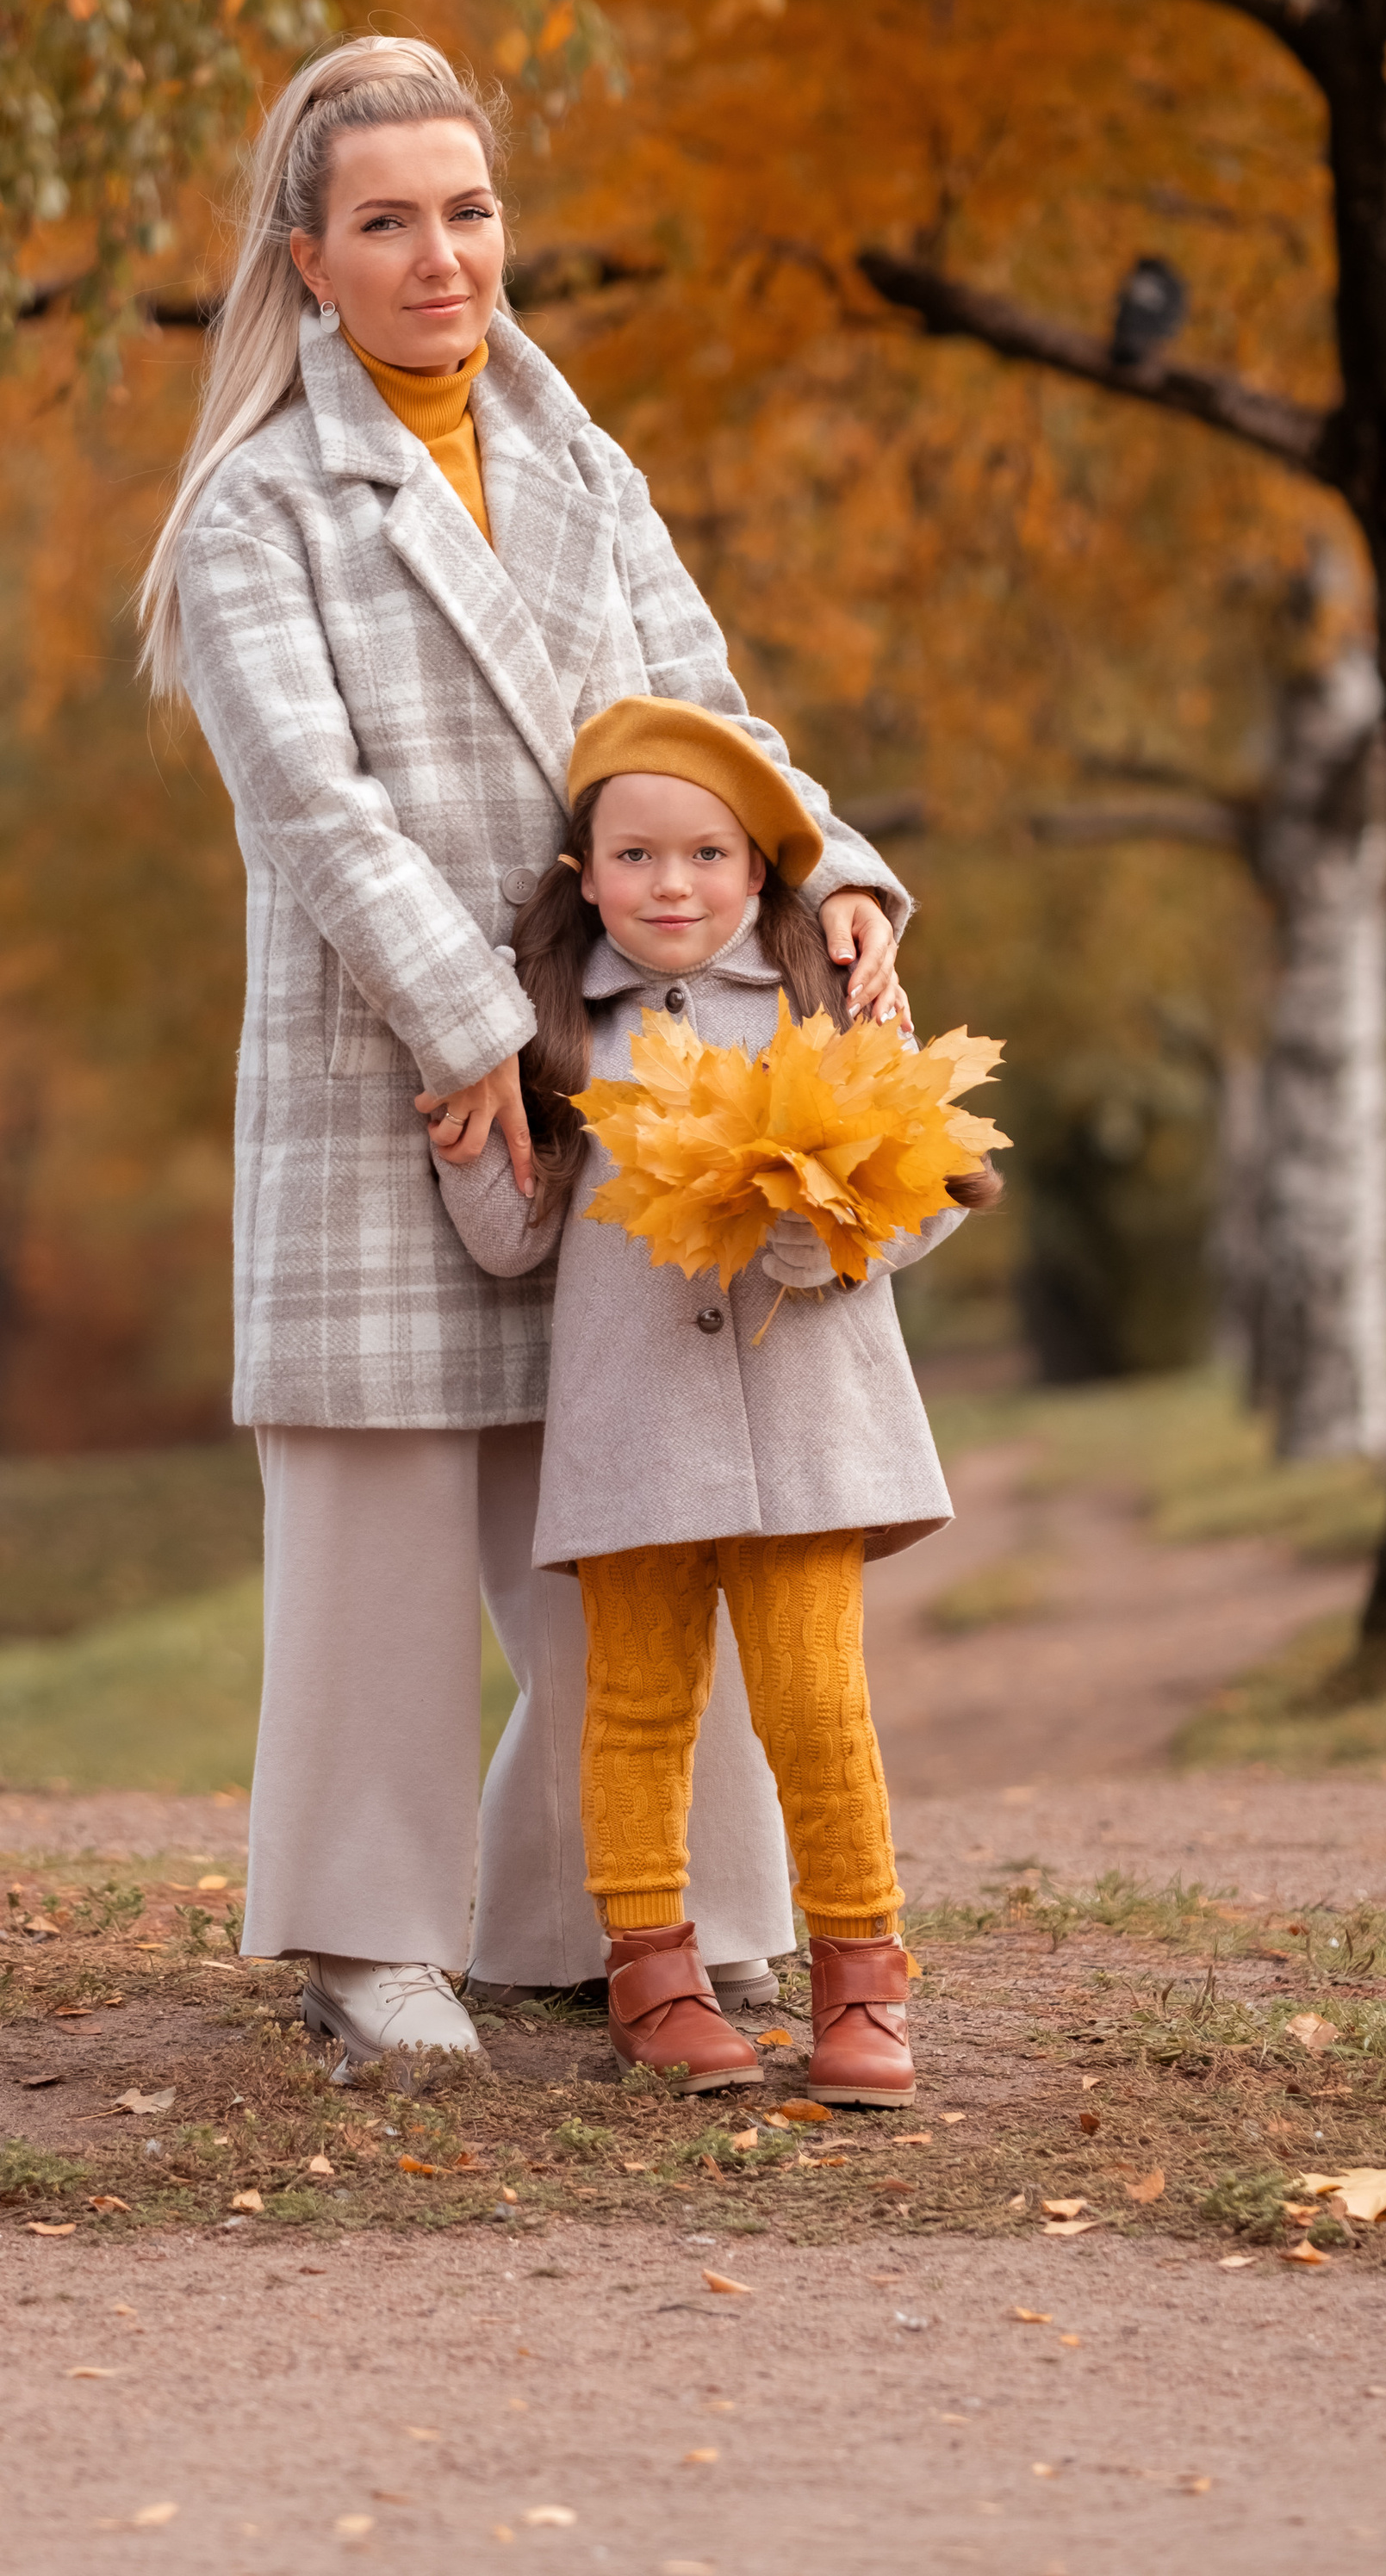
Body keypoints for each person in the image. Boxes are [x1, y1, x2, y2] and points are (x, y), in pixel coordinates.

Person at [139, 35, 914, 2064]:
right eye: (385, 221)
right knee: (384, 1517)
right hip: (393, 1065)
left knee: (642, 1508)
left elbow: (710, 721)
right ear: (305, 259)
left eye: (467, 211)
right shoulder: (254, 510)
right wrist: (476, 1017)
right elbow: (312, 810)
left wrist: (829, 869)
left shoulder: (584, 470)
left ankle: (626, 1914)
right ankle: (362, 1936)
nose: (438, 257)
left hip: (632, 1072)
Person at [433, 698, 1004, 2099]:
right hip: (634, 1439)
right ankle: (654, 1978)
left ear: (758, 869)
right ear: (585, 878)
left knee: (816, 1705)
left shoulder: (827, 998)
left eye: (705, 855)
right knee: (633, 1707)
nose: (671, 885)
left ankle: (863, 1983)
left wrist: (827, 1235)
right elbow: (512, 1242)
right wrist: (464, 1146)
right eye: (634, 857)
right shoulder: (557, 1032)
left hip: (811, 1436)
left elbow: (932, 1183)